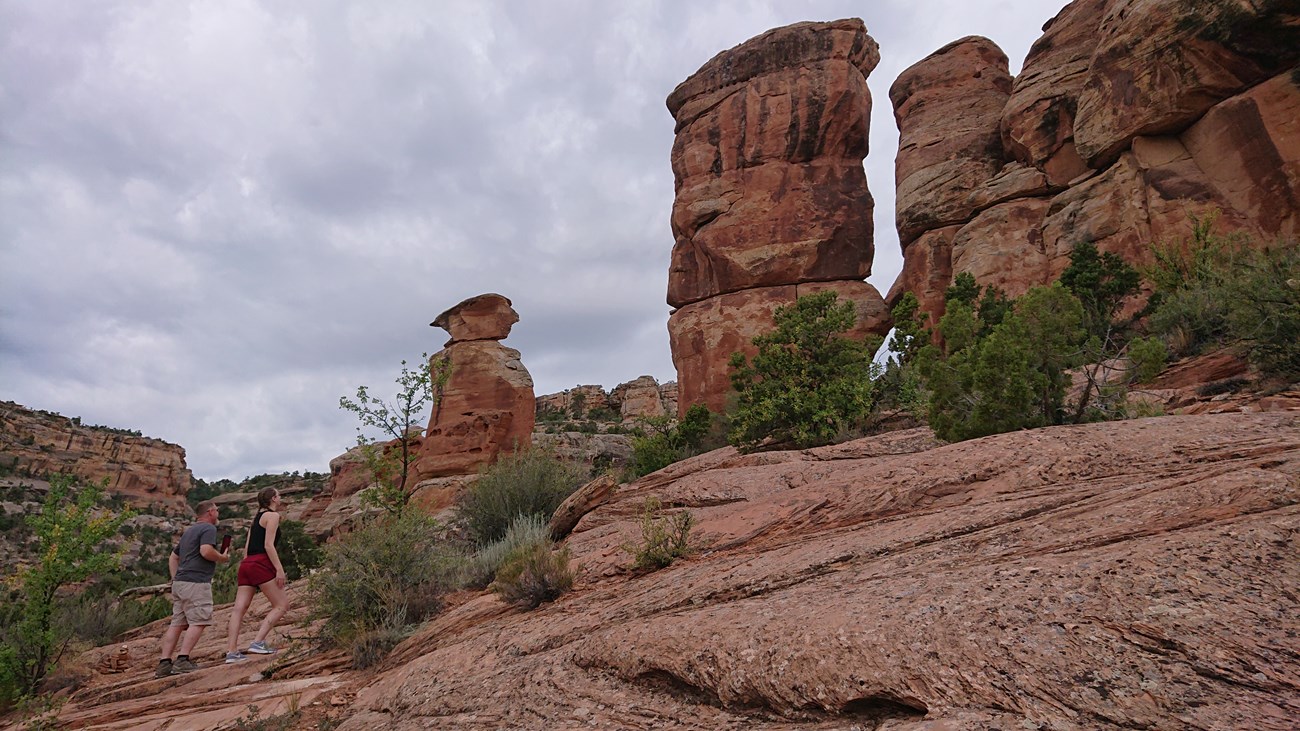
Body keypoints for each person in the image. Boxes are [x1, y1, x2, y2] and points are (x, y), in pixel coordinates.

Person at [157, 500, 230, 677]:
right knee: (199, 620)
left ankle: (164, 663)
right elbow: (206, 551)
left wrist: (175, 579)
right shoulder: (209, 529)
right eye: (217, 510)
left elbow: (173, 557)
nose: (218, 514)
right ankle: (183, 659)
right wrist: (222, 557)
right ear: (210, 512)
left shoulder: (189, 531)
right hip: (196, 581)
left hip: (181, 582)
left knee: (178, 622)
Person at [224, 487, 290, 662]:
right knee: (281, 605)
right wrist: (279, 569)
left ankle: (231, 651)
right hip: (261, 561)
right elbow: (269, 545)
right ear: (274, 499)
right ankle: (258, 642)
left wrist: (248, 565)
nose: (281, 497)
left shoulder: (255, 519)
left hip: (247, 563)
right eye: (279, 495)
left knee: (239, 609)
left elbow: (246, 548)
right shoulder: (273, 516)